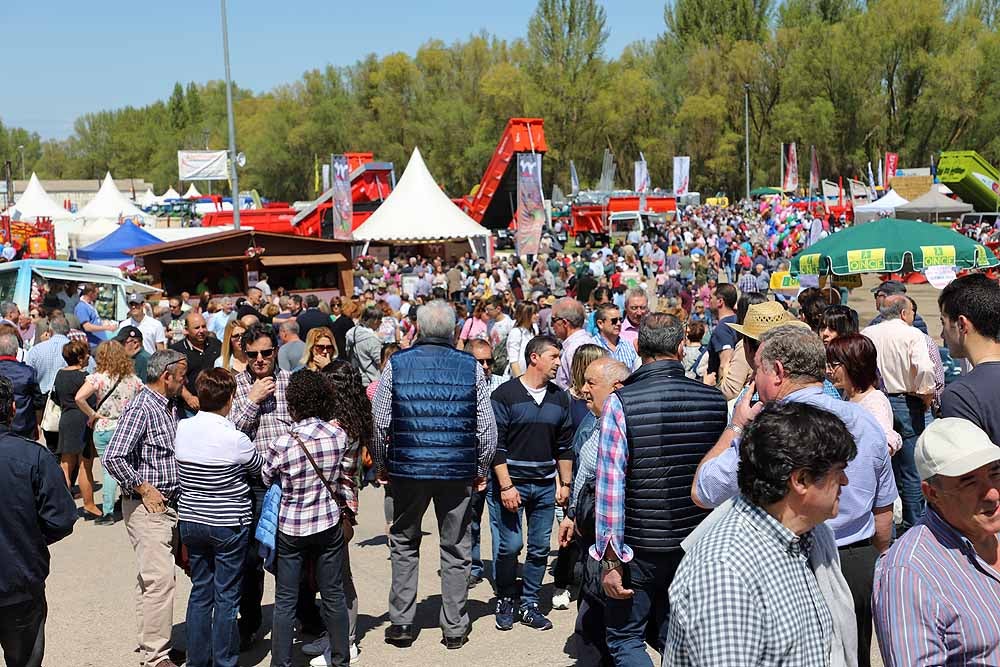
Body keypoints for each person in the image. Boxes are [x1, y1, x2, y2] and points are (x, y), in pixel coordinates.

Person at [693, 324, 897, 667]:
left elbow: (704, 489)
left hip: (792, 565)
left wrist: (736, 426)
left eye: (758, 369)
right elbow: (883, 512)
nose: (754, 379)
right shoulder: (864, 419)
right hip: (857, 564)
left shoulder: (772, 427)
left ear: (778, 372)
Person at [665, 402, 858, 666]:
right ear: (800, 480)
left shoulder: (810, 537)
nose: (845, 481)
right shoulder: (725, 573)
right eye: (839, 472)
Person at [591, 313, 727, 664]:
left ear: (637, 346)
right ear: (681, 348)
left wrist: (610, 558)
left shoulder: (621, 403)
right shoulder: (713, 401)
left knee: (625, 637)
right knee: (680, 634)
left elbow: (610, 488)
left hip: (641, 546)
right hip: (696, 540)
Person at [371, 300, 498, 650]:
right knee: (457, 546)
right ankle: (454, 626)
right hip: (456, 470)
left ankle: (401, 622)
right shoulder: (470, 366)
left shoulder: (397, 363)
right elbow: (486, 427)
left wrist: (383, 463)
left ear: (418, 328)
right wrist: (480, 467)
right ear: (453, 331)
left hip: (408, 468)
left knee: (404, 542)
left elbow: (380, 421)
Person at [873, 418, 1000, 665]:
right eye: (970, 482)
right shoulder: (909, 574)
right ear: (932, 493)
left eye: (995, 474)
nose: (992, 493)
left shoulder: (989, 526)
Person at [104, 349, 188, 667]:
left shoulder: (167, 406)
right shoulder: (143, 406)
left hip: (166, 505)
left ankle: (153, 646)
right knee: (160, 580)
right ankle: (156, 656)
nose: (185, 381)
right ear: (166, 375)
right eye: (181, 375)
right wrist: (144, 488)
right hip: (148, 507)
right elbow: (114, 456)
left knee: (151, 580)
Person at [174, 369, 263, 667]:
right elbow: (260, 469)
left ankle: (197, 660)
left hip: (192, 519)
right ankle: (224, 660)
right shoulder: (236, 439)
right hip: (228, 522)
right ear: (230, 398)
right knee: (226, 597)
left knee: (201, 591)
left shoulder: (183, 428)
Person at [490, 335, 575, 632]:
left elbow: (564, 446)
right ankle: (505, 597)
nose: (558, 362)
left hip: (543, 487)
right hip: (511, 484)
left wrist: (565, 484)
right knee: (510, 545)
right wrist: (505, 486)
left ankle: (529, 603)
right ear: (534, 357)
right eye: (554, 356)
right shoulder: (505, 395)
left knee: (539, 547)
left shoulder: (559, 397)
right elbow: (496, 446)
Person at [0, 375, 76, 667]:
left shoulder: (35, 458)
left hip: (20, 581)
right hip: (19, 581)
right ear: (13, 409)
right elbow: (61, 519)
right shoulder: (34, 457)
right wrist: (26, 536)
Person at [558, 357, 629, 665]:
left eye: (591, 383)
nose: (584, 389)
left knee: (603, 622)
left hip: (611, 543)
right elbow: (583, 477)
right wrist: (572, 515)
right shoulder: (593, 422)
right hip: (590, 536)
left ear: (616, 388)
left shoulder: (620, 429)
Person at [228, 324, 292, 648]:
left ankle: (300, 617)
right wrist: (253, 400)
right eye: (252, 354)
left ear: (276, 350)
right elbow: (229, 434)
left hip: (287, 482)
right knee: (251, 560)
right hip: (251, 483)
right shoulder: (238, 386)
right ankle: (250, 622)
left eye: (266, 352)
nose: (259, 359)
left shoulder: (290, 383)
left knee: (290, 556)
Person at [303, 360, 370, 665]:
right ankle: (335, 635)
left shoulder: (340, 426)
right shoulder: (349, 418)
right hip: (339, 502)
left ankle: (347, 641)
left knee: (339, 577)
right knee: (330, 574)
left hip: (338, 504)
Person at [862, 294, 935, 529]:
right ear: (904, 313)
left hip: (875, 400)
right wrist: (926, 395)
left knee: (882, 469)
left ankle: (887, 527)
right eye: (912, 312)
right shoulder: (912, 334)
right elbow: (925, 369)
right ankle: (915, 524)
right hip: (906, 400)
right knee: (911, 470)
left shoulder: (868, 333)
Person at [74, 340, 143, 526]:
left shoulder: (98, 378)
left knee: (108, 470)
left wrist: (92, 414)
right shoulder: (133, 380)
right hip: (125, 428)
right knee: (127, 465)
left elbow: (79, 398)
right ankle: (127, 499)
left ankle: (108, 511)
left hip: (104, 426)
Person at [937, 272, 1000, 443]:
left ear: (962, 325)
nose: (942, 334)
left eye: (943, 322)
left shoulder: (961, 395)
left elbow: (970, 467)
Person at [827, 334, 902, 454]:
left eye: (834, 365)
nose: (828, 371)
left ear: (853, 365)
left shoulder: (874, 401)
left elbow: (887, 442)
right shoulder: (848, 395)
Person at [51, 340, 101, 514]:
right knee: (84, 465)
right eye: (86, 354)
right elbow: (92, 401)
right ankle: (89, 504)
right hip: (82, 419)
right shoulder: (84, 377)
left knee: (65, 465)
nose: (88, 356)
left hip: (66, 419)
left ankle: (64, 505)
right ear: (80, 358)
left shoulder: (59, 374)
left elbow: (56, 397)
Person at [170, 312, 221, 411]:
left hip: (216, 405)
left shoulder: (216, 344)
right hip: (189, 408)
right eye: (197, 328)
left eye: (204, 326)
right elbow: (174, 377)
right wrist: (188, 397)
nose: (201, 330)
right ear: (186, 330)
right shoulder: (177, 351)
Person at [0, 331, 43, 439]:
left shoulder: (28, 372)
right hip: (23, 428)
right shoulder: (28, 372)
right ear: (16, 351)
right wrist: (38, 424)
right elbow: (38, 402)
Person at [552, 297, 592, 390]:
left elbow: (581, 388)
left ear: (565, 323)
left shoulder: (576, 349)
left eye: (553, 320)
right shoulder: (582, 343)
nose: (551, 325)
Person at [703, 283, 738, 386]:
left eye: (711, 298)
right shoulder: (737, 321)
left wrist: (721, 391)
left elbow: (725, 364)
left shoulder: (722, 328)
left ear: (720, 301)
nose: (709, 301)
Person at [591, 302, 640, 371]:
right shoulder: (592, 347)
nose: (619, 323)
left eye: (620, 319)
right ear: (600, 324)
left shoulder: (627, 346)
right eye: (614, 321)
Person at [345, 306, 382, 385]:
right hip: (372, 381)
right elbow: (380, 361)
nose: (381, 323)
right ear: (375, 320)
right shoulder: (371, 339)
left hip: (356, 378)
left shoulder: (351, 333)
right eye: (380, 320)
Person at [74, 284, 117, 349]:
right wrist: (107, 327)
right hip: (92, 345)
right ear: (90, 293)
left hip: (99, 343)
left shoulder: (90, 305)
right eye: (97, 294)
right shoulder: (81, 307)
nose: (98, 296)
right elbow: (87, 327)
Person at [505, 301, 538, 378]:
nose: (537, 315)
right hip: (518, 377)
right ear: (525, 314)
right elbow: (513, 361)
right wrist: (519, 381)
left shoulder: (532, 331)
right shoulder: (516, 332)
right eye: (534, 313)